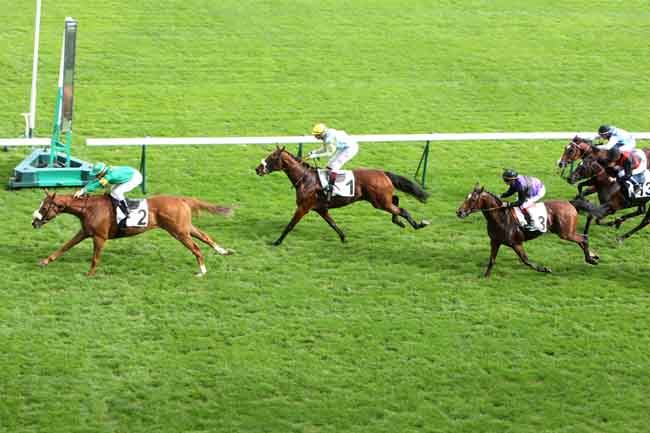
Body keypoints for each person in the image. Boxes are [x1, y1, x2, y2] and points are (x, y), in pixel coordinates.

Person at [74, 162, 143, 227]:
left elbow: (99, 184)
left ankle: (127, 211)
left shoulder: (110, 176)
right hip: (128, 173)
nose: (96, 176)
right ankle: (116, 208)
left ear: (102, 172)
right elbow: (96, 181)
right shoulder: (106, 172)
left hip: (134, 178)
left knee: (117, 192)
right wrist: (83, 189)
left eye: (97, 175)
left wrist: (83, 191)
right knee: (112, 192)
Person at [306, 123, 359, 201]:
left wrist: (315, 155)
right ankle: (328, 181)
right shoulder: (326, 135)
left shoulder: (329, 138)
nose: (315, 137)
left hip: (350, 148)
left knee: (335, 165)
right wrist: (314, 152)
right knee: (330, 164)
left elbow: (329, 153)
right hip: (344, 147)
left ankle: (331, 188)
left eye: (316, 135)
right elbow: (324, 148)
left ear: (322, 133)